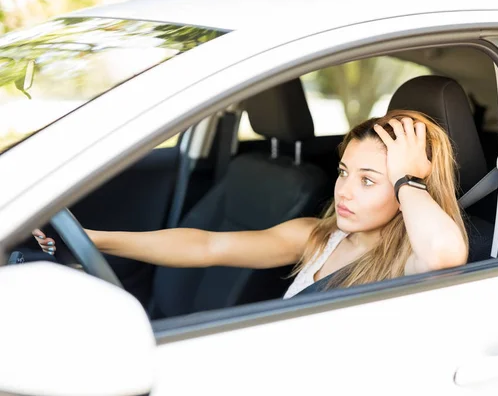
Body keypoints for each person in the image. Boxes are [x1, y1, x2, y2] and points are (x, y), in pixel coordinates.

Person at [33, 109, 468, 298]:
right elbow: (208, 247)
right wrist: (91, 239)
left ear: (411, 188)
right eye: (343, 172)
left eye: (370, 180)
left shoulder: (409, 258)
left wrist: (409, 178)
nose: (344, 192)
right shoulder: (318, 238)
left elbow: (446, 254)